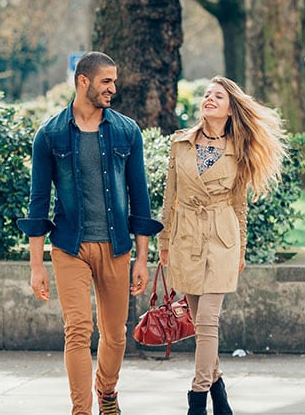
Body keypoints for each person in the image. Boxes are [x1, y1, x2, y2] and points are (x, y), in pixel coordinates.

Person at [17, 51, 163, 415]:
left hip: (116, 248)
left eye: (114, 81)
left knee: (115, 335)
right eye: (106, 81)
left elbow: (139, 200)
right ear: (83, 81)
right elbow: (38, 204)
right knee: (78, 331)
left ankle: (107, 392)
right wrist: (37, 266)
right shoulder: (50, 135)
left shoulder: (127, 131)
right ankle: (81, 410)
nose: (113, 88)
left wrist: (142, 258)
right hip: (69, 247)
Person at [158, 76, 286, 415]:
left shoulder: (239, 149)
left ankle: (197, 400)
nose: (210, 99)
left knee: (207, 323)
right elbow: (170, 196)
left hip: (221, 239)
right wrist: (164, 241)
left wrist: (241, 249)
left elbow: (239, 205)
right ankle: (221, 394)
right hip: (186, 238)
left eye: (218, 96)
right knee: (200, 323)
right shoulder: (180, 143)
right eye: (207, 95)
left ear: (230, 110)